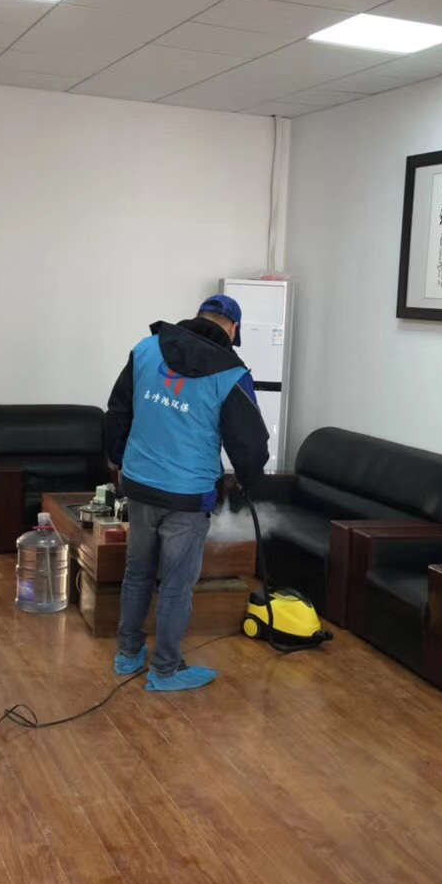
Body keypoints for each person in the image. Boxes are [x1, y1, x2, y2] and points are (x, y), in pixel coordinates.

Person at [104, 294, 270, 691]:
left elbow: (118, 410)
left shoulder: (146, 349)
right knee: (176, 585)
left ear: (198, 317)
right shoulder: (231, 373)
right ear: (233, 329)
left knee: (137, 572)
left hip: (139, 484)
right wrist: (249, 482)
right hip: (187, 496)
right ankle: (165, 670)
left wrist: (117, 459)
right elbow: (249, 444)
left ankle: (128, 653)